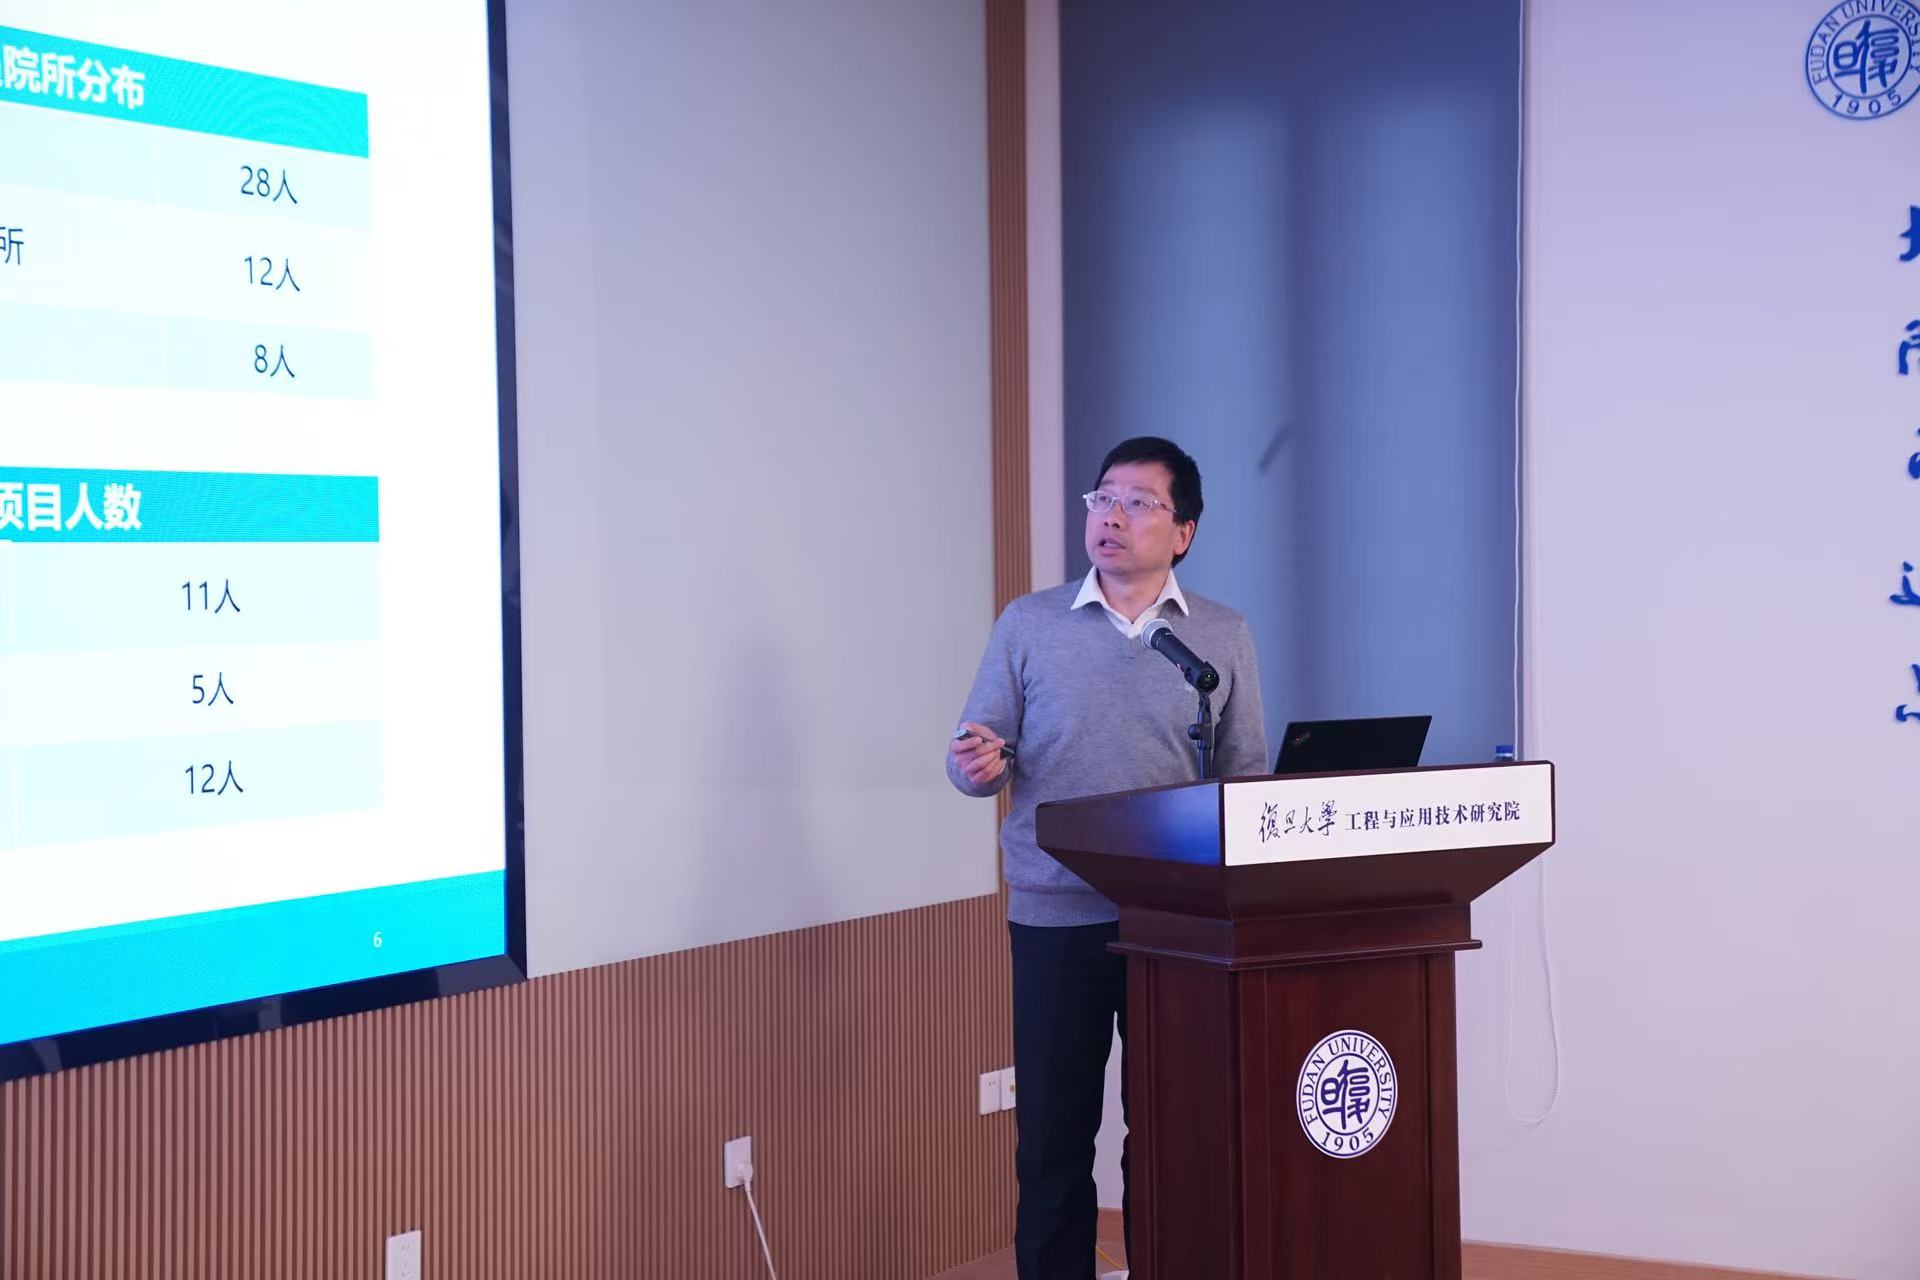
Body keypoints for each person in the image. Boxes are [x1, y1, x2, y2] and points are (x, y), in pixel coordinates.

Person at [946, 436, 1268, 1279]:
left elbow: (1246, 777)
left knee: (1169, 1135)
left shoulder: (1220, 636)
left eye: (1137, 502)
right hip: (1056, 911)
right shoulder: (1030, 622)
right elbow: (977, 751)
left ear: (1183, 531)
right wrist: (974, 766)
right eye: (1103, 499)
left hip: (1176, 921)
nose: (1112, 517)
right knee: (1054, 1139)